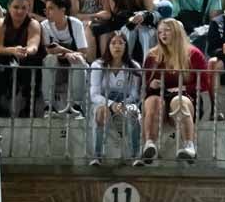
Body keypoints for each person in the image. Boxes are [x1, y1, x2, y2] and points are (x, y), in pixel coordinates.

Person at [141, 18, 209, 163]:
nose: (163, 35)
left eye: (167, 30)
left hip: (186, 97)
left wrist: (184, 87)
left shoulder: (194, 54)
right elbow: (143, 85)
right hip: (159, 97)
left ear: (177, 32)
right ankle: (149, 145)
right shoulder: (153, 55)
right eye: (160, 32)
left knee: (179, 101)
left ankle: (189, 146)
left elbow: (203, 82)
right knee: (153, 102)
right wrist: (151, 84)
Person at [88, 30, 142, 166]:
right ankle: (97, 155)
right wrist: (111, 104)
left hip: (125, 100)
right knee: (101, 112)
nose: (117, 46)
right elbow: (94, 94)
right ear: (108, 46)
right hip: (104, 101)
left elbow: (135, 94)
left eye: (121, 43)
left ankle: (136, 155)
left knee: (133, 112)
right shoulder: (98, 65)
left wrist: (123, 104)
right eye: (113, 43)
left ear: (126, 46)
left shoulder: (134, 66)